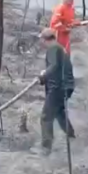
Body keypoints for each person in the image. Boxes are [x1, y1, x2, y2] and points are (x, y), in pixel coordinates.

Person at [34, 28, 75, 156]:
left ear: (46, 39)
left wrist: (43, 75)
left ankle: (46, 148)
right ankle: (71, 136)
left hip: (59, 88)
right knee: (59, 113)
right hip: (66, 86)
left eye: (41, 39)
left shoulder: (53, 49)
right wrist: (45, 79)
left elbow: (53, 66)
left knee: (46, 117)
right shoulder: (59, 48)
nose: (41, 42)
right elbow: (57, 69)